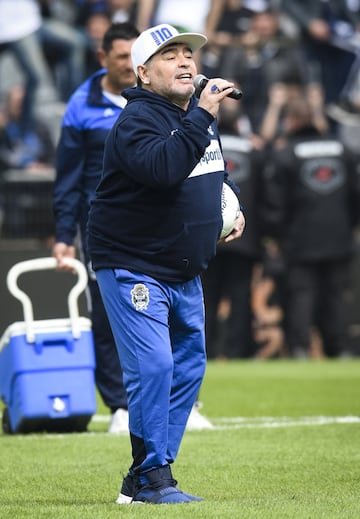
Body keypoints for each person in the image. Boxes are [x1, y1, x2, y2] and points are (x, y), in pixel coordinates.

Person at [87, 23, 245, 504]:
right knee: (154, 366)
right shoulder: (137, 121)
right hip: (134, 263)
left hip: (183, 266)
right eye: (169, 55)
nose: (185, 62)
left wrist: (230, 211)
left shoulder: (197, 118)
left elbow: (206, 174)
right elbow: (164, 169)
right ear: (142, 73)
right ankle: (154, 479)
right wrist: (202, 114)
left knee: (187, 370)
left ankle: (145, 478)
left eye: (189, 54)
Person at [52, 22, 140, 434]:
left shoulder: (157, 96)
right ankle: (120, 407)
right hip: (101, 228)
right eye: (121, 56)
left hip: (155, 225)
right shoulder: (80, 106)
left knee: (171, 311)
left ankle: (183, 402)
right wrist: (63, 236)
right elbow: (67, 178)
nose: (129, 64)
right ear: (102, 57)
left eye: (134, 55)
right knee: (105, 314)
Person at [262, 96, 360, 358]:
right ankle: (338, 349)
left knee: (301, 296)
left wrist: (275, 236)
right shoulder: (343, 150)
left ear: (291, 121)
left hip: (300, 239)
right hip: (339, 237)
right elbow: (355, 195)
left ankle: (300, 348)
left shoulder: (286, 155)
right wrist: (349, 226)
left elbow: (276, 203)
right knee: (337, 295)